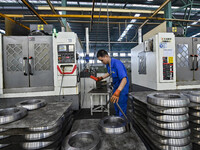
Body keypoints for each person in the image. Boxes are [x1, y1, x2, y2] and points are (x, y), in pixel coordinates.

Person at [94, 49, 129, 117]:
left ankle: (122, 120)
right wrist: (101, 78)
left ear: (106, 56)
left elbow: (124, 79)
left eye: (102, 60)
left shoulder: (117, 64)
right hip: (116, 85)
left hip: (122, 87)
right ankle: (117, 117)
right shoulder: (108, 64)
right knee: (115, 102)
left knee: (121, 104)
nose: (102, 62)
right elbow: (109, 72)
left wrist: (118, 91)